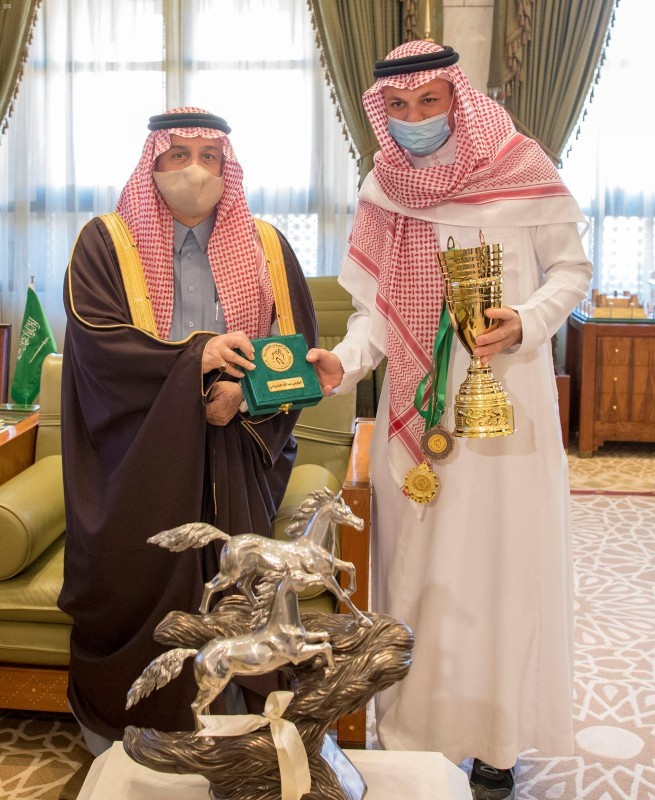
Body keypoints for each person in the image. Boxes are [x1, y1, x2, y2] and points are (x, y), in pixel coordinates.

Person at [306, 41, 592, 800]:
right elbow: (374, 313)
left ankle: (497, 743)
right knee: (420, 575)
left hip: (508, 409)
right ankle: (415, 737)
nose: (413, 119)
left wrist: (527, 321)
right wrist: (344, 362)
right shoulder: (384, 186)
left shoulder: (519, 164)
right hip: (414, 416)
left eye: (428, 101)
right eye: (397, 107)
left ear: (457, 98)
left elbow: (571, 271)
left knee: (501, 571)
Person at [58, 107, 317, 755]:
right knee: (137, 582)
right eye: (178, 155)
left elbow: (294, 353)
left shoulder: (266, 245)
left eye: (209, 156)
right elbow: (96, 345)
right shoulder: (105, 242)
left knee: (237, 592)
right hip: (138, 451)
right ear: (153, 164)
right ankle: (124, 739)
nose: (194, 170)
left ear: (229, 168)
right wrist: (193, 362)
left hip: (236, 452)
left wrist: (242, 395)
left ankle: (236, 736)